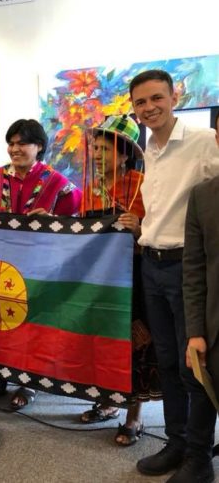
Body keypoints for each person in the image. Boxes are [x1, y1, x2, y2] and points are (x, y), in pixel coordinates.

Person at [130, 70, 219, 483]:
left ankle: (199, 458)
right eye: (141, 102)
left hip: (188, 266)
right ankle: (177, 442)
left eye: (156, 98)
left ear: (173, 97)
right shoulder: (149, 148)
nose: (149, 108)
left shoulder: (202, 141)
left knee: (194, 365)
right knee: (166, 361)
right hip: (152, 263)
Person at [0, 118, 82, 409]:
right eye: (11, 143)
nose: (15, 149)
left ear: (39, 146)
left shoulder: (57, 183)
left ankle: (30, 383)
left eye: (22, 143)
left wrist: (53, 220)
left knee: (33, 325)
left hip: (38, 269)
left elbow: (77, 224)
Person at [79, 115, 161, 446]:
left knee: (135, 344)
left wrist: (139, 228)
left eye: (104, 149)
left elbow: (159, 234)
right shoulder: (90, 190)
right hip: (101, 280)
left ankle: (134, 416)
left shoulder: (144, 184)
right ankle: (108, 401)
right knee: (105, 342)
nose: (97, 155)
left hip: (135, 278)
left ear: (124, 155)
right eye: (95, 148)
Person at [182, 111, 219, 476]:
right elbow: (193, 269)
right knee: (205, 394)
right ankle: (198, 461)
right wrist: (195, 331)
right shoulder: (203, 196)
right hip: (214, 323)